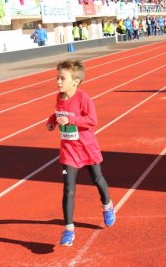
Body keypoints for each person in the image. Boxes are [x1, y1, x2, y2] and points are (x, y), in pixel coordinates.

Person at [45, 60, 115, 246]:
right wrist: (52, 121)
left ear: (75, 81)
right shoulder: (59, 97)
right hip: (69, 151)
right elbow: (57, 113)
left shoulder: (84, 98)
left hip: (87, 148)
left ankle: (107, 205)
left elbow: (92, 120)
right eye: (57, 78)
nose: (58, 82)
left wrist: (71, 119)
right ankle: (69, 229)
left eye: (62, 78)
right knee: (68, 190)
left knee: (98, 180)